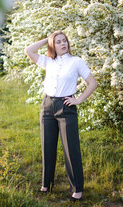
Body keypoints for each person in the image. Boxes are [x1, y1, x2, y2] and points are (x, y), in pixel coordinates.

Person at [25, 30, 97, 201]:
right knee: (47, 147)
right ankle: (46, 185)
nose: (62, 44)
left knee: (71, 150)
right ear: (52, 45)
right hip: (47, 106)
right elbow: (29, 50)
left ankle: (77, 190)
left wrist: (78, 100)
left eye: (64, 40)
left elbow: (92, 83)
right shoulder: (48, 61)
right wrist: (47, 39)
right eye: (58, 42)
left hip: (66, 107)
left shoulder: (76, 62)